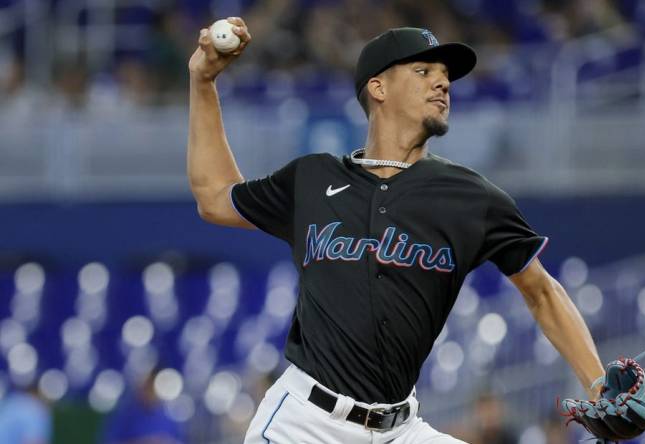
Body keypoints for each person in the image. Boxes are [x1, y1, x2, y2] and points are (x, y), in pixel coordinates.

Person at [187, 18, 605, 443]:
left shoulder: (472, 198)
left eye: (445, 77)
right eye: (423, 72)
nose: (442, 84)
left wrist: (599, 386)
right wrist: (203, 81)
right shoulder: (312, 179)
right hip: (304, 423)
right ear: (378, 88)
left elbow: (542, 291)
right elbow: (214, 197)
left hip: (401, 430)